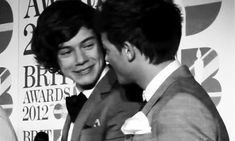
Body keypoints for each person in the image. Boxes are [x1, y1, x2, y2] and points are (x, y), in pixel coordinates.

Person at [97, 0, 230, 140]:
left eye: (107, 50)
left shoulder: (180, 107)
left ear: (127, 50)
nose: (106, 58)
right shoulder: (173, 96)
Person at [31, 0, 142, 141]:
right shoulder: (80, 102)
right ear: (54, 58)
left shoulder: (124, 98)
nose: (80, 59)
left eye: (88, 45)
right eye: (66, 52)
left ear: (103, 43)